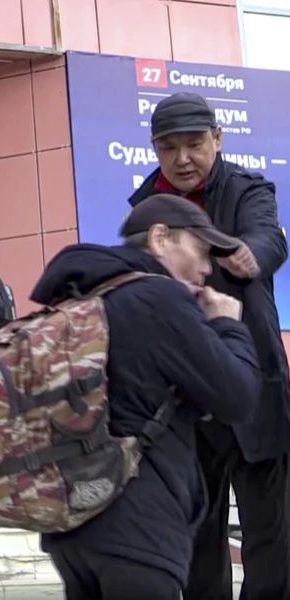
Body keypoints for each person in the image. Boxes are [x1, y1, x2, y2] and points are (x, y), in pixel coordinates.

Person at [33, 194, 260, 600]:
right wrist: (228, 325)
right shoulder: (158, 298)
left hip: (73, 527)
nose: (207, 268)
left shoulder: (79, 297)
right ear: (159, 238)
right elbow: (238, 397)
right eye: (202, 250)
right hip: (140, 528)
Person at [129, 92, 290, 600]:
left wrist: (248, 253)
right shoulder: (144, 210)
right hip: (189, 390)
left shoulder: (247, 188)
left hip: (253, 382)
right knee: (199, 533)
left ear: (217, 139)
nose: (183, 159)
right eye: (168, 147)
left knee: (274, 533)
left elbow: (269, 239)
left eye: (195, 144)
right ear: (154, 150)